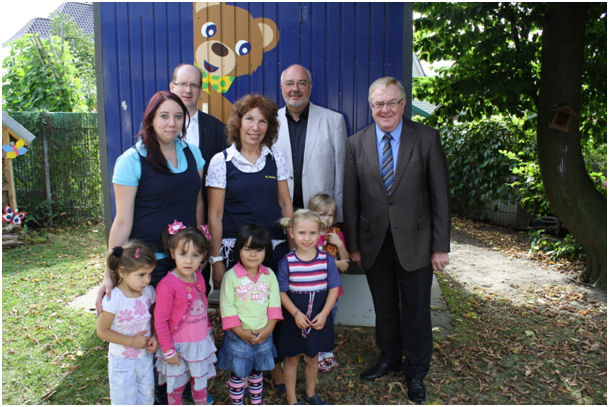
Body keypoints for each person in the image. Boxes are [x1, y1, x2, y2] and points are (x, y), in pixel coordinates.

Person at [343, 77, 451, 404]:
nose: (385, 109)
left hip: (417, 242)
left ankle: (416, 370)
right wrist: (355, 246)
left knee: (416, 309)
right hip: (375, 242)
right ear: (370, 107)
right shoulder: (356, 143)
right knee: (385, 306)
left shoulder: (427, 139)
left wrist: (440, 246)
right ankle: (390, 357)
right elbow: (351, 200)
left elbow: (440, 197)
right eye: (378, 104)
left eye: (391, 102)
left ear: (404, 104)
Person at [96, 90, 206, 303]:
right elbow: (122, 221)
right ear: (151, 119)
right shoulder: (131, 160)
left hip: (184, 261)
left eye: (178, 116)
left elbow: (197, 201)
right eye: (164, 116)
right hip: (146, 265)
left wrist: (199, 247)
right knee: (149, 330)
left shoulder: (194, 154)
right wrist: (108, 274)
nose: (172, 123)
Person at [206, 94, 293, 287]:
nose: (256, 127)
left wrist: (293, 250)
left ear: (269, 127)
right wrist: (216, 259)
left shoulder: (276, 158)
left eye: (263, 121)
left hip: (274, 249)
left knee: (272, 311)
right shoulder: (221, 161)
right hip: (235, 250)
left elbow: (285, 203)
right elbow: (215, 215)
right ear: (238, 122)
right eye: (250, 119)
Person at [277, 209, 342, 405]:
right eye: (302, 233)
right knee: (291, 359)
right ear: (292, 233)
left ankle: (311, 393)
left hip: (317, 318)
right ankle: (292, 398)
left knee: (313, 357)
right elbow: (281, 292)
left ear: (320, 233)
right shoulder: (287, 262)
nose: (307, 238)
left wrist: (324, 314)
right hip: (294, 318)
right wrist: (296, 314)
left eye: (312, 233)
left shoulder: (326, 260)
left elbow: (333, 288)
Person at [217, 224, 283, 405]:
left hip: (263, 335)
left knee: (257, 373)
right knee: (238, 374)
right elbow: (227, 308)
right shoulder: (231, 277)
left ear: (266, 251)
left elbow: (275, 306)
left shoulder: (269, 275)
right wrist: (240, 332)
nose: (253, 255)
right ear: (239, 250)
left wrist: (268, 329)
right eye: (248, 249)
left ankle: (256, 401)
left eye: (258, 250)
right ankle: (237, 402)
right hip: (238, 336)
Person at [274, 64, 348, 220]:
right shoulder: (269, 122)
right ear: (282, 87)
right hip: (280, 212)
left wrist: (338, 217)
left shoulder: (333, 121)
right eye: (289, 84)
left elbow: (341, 172)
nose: (295, 89)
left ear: (310, 86)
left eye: (301, 83)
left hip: (320, 214)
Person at [154, 224, 217, 405]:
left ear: (203, 256)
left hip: (199, 344)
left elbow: (203, 306)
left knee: (199, 385)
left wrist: (209, 331)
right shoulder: (167, 285)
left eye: (195, 255)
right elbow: (160, 320)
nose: (188, 261)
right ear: (173, 253)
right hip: (178, 347)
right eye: (183, 254)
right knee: (176, 388)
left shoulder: (199, 277)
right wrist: (167, 349)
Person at [97, 240, 158, 405]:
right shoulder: (114, 298)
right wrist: (131, 341)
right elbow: (102, 331)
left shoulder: (149, 293)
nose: (147, 280)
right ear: (123, 272)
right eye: (141, 275)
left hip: (145, 359)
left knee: (146, 398)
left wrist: (155, 337)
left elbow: (154, 318)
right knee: (125, 400)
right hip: (122, 363)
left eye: (150, 274)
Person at [307, 192, 349, 373]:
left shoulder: (336, 234)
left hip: (332, 290)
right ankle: (313, 352)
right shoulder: (308, 235)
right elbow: (308, 262)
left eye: (330, 214)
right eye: (321, 214)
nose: (326, 218)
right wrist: (334, 263)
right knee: (313, 319)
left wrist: (339, 245)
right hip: (312, 289)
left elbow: (345, 264)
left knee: (329, 319)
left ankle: (327, 351)